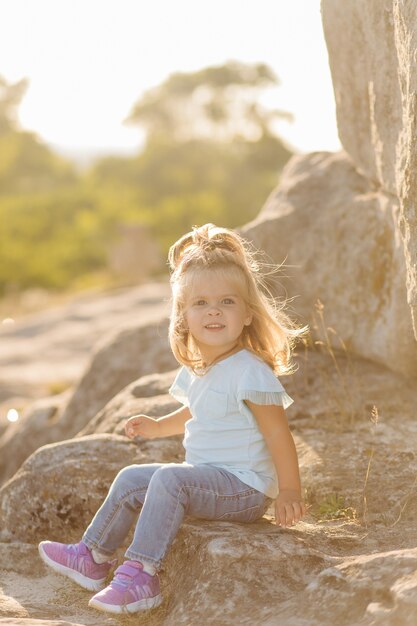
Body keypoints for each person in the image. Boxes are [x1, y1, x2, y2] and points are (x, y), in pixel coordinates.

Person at [38, 223, 307, 615]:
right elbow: (195, 413)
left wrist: (289, 492)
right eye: (200, 303)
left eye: (227, 302)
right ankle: (93, 558)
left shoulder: (250, 371)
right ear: (183, 316)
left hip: (244, 489)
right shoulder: (201, 369)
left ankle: (142, 575)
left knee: (169, 478)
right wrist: (157, 426)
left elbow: (279, 435)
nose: (213, 311)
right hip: (209, 478)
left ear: (248, 315)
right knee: (132, 478)